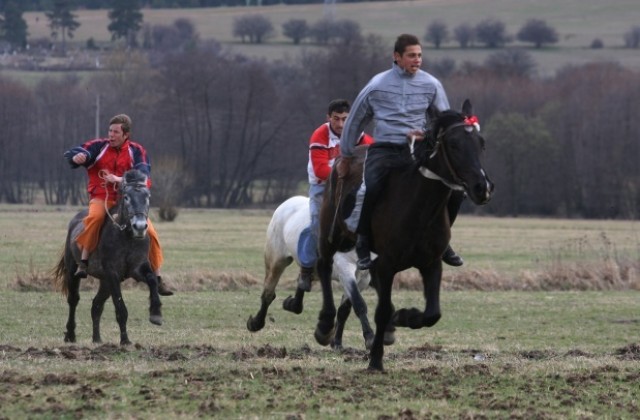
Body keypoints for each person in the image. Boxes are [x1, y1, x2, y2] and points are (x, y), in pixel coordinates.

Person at [337, 33, 466, 270]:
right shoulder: (376, 86)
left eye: (419, 55)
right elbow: (355, 121)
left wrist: (426, 135)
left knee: (456, 191)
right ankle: (364, 241)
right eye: (411, 56)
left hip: (417, 151)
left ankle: (443, 240)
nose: (417, 60)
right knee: (371, 188)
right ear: (397, 57)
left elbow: (443, 123)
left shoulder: (432, 84)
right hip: (384, 150)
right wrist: (346, 155)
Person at [63, 114, 174, 296]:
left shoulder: (137, 151)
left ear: (126, 134)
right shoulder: (99, 146)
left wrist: (119, 179)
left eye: (116, 132)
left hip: (127, 200)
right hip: (101, 197)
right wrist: (77, 158)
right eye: (110, 131)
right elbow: (78, 152)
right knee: (95, 218)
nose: (111, 135)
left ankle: (157, 278)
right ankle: (83, 262)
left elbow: (143, 175)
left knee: (151, 232)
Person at [296, 99, 374, 291]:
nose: (340, 124)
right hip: (322, 186)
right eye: (336, 119)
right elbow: (321, 170)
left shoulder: (362, 138)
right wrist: (347, 174)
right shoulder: (320, 135)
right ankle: (306, 269)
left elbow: (374, 162)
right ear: (328, 118)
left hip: (349, 187)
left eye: (345, 119)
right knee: (316, 222)